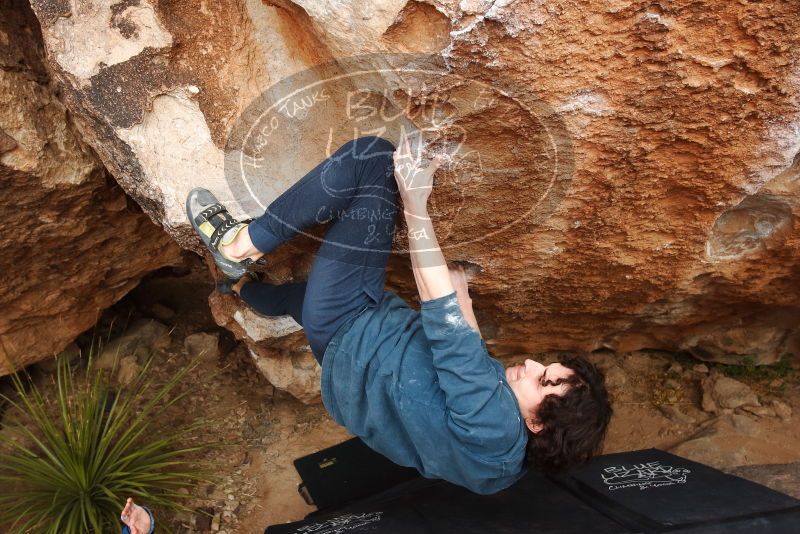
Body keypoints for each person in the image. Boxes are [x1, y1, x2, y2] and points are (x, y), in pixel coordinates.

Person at [186, 133, 612, 495]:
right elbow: (466, 362)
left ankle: (239, 245)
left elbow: (444, 320)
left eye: (544, 381)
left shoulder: (495, 420)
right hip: (344, 364)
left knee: (370, 158)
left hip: (350, 324)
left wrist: (415, 199)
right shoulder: (501, 469)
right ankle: (242, 287)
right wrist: (461, 288)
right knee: (295, 301)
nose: (533, 365)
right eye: (547, 367)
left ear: (539, 423)